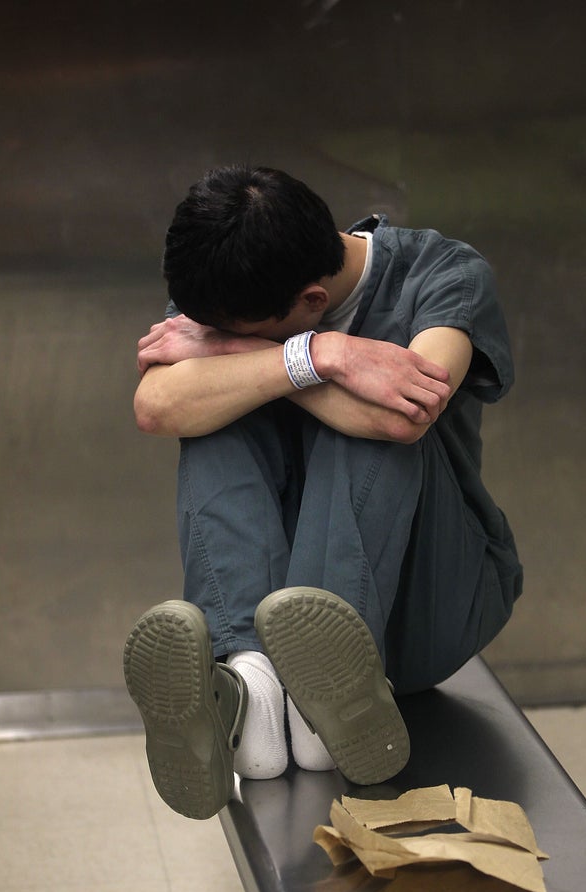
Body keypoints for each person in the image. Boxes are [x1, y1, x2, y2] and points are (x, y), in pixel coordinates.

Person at [123, 163, 522, 820]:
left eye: (238, 332)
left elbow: (404, 413)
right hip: (267, 602)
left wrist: (231, 353)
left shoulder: (445, 274)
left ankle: (326, 677)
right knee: (210, 418)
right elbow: (157, 406)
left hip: (429, 606)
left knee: (378, 405)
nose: (220, 336)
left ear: (311, 297)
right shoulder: (229, 277)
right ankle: (253, 685)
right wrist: (322, 356)